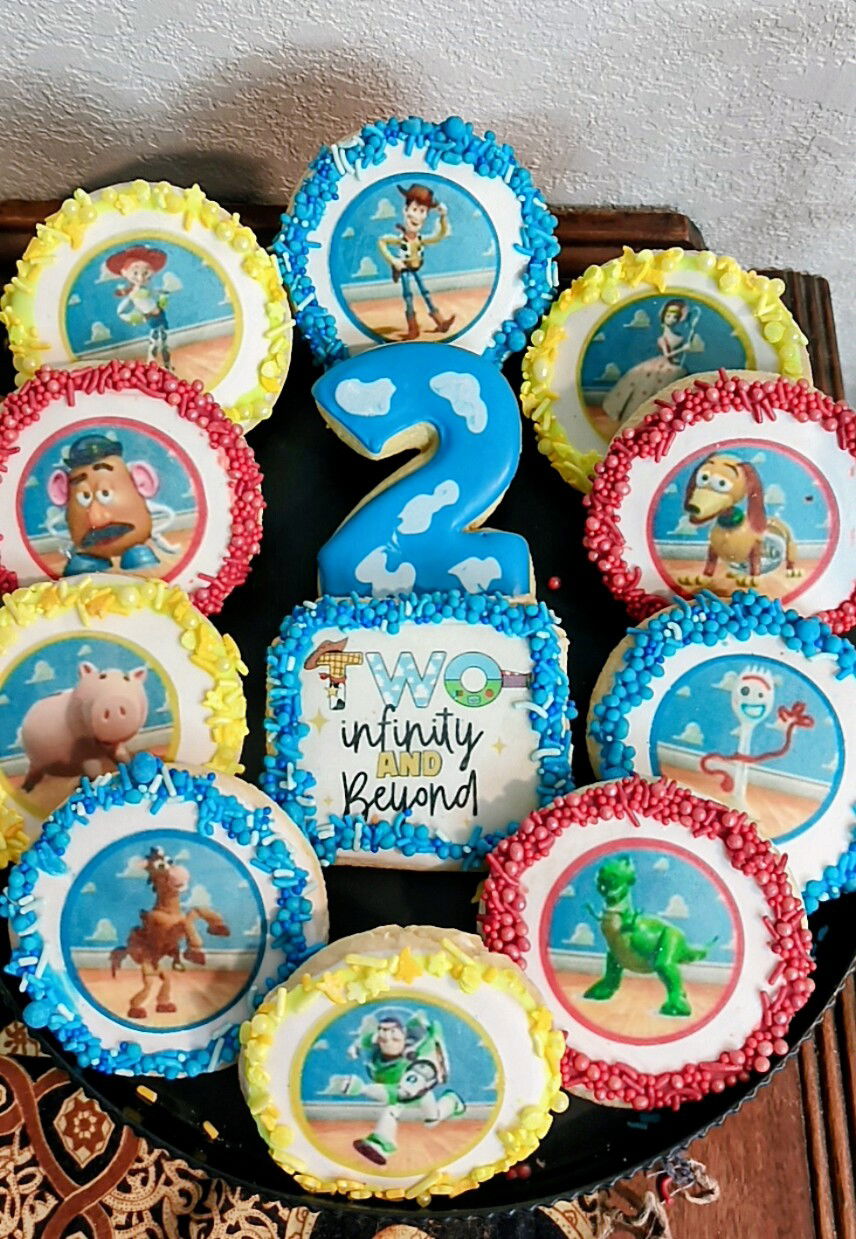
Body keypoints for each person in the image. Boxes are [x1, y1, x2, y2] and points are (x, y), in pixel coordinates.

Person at [602, 299, 701, 424]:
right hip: (664, 365)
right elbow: (667, 355)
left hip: (675, 366)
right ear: (663, 316)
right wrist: (683, 348)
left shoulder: (680, 335)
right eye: (668, 316)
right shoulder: (662, 338)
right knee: (646, 390)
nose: (671, 319)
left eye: (675, 317)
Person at [378, 185, 456, 340]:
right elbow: (382, 241)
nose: (417, 216)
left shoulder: (420, 239)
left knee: (425, 293)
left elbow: (439, 236)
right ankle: (413, 328)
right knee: (408, 297)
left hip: (416, 269)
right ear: (405, 210)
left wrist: (443, 217)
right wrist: (393, 261)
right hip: (405, 270)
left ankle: (440, 322)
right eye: (414, 209)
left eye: (422, 211)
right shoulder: (400, 240)